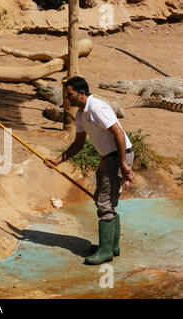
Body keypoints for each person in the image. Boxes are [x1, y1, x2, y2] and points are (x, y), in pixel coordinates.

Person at [45, 76, 135, 265]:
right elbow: (78, 144)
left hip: (118, 156)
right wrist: (58, 160)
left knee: (104, 202)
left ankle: (105, 251)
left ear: (81, 93)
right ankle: (111, 246)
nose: (67, 98)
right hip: (108, 157)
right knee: (107, 201)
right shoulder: (80, 114)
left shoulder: (96, 107)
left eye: (69, 94)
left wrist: (122, 163)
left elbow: (118, 132)